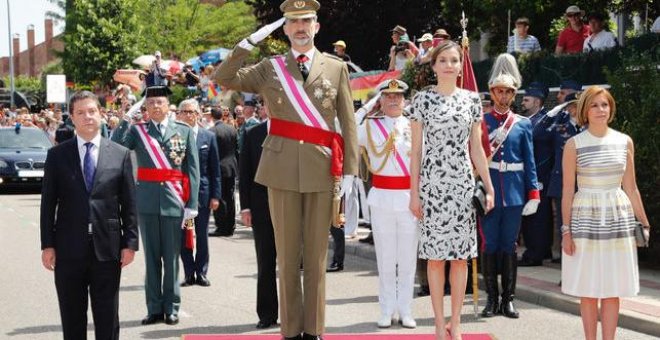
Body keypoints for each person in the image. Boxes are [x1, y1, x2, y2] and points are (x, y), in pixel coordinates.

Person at [214, 1, 359, 338]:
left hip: (322, 168)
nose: (300, 27)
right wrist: (248, 43)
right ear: (284, 29)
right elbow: (224, 78)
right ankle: (291, 331)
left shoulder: (336, 68)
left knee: (317, 258)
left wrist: (350, 170)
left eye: (307, 20)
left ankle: (314, 330)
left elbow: (348, 122)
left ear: (317, 26)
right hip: (280, 169)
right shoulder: (271, 67)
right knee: (287, 258)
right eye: (293, 21)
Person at [409, 41, 495, 339]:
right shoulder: (421, 100)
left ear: (461, 66)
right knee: (434, 258)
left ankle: (456, 323)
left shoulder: (472, 101)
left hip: (461, 187)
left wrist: (489, 185)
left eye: (454, 60)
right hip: (432, 187)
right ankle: (437, 322)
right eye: (442, 60)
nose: (448, 65)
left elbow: (476, 148)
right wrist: (413, 192)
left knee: (460, 258)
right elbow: (416, 152)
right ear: (433, 66)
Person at [40, 91, 139, 340]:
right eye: (81, 113)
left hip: (107, 249)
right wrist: (47, 244)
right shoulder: (57, 156)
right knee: (72, 317)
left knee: (107, 317)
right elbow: (48, 203)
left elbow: (129, 203)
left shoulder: (121, 154)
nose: (87, 117)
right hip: (68, 249)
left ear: (101, 114)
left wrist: (130, 243)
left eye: (92, 111)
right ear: (72, 118)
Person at [561, 86, 651, 340]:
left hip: (618, 218)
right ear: (584, 111)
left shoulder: (624, 141)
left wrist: (644, 222)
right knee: (588, 289)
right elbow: (567, 191)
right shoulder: (573, 145)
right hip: (584, 219)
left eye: (605, 105)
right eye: (594, 105)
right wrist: (566, 230)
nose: (601, 110)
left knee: (613, 289)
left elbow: (631, 187)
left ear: (611, 109)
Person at [111, 85, 200, 326]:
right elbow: (115, 144)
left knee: (171, 259)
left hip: (174, 202)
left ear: (168, 106)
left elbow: (192, 170)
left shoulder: (183, 131)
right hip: (147, 202)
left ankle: (171, 307)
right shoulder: (138, 131)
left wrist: (192, 205)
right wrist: (127, 116)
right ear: (145, 107)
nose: (155, 107)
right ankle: (154, 308)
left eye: (159, 103)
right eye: (150, 104)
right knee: (151, 259)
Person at [480, 54, 540, 319]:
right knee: (490, 244)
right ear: (492, 93)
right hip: (490, 192)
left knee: (509, 245)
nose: (503, 96)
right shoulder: (481, 122)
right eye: (499, 92)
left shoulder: (523, 124)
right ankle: (491, 299)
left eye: (508, 92)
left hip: (514, 193)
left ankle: (509, 299)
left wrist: (534, 192)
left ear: (513, 95)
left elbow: (530, 161)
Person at [359, 79, 419, 329]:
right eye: (388, 96)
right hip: (382, 196)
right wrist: (368, 105)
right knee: (385, 258)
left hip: (408, 196)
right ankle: (386, 309)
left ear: (405, 100)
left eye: (398, 96)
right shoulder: (370, 126)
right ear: (381, 100)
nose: (393, 100)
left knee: (407, 259)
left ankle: (405, 309)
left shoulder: (415, 125)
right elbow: (345, 127)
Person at [239, 115, 279, 329]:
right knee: (265, 262)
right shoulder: (253, 133)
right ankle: (267, 313)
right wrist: (245, 207)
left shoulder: (294, 129)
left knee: (293, 264)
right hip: (261, 207)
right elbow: (244, 172)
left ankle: (295, 315)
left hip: (290, 205)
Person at [176, 99, 221, 287]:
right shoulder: (174, 136)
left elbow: (214, 169)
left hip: (202, 193)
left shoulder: (208, 137)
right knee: (184, 234)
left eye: (192, 112)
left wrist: (216, 196)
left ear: (198, 114)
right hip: (180, 194)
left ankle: (201, 272)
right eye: (184, 111)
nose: (188, 115)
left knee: (201, 234)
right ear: (178, 114)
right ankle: (188, 273)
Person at [519, 83, 555, 267]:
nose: (522, 102)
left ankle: (535, 253)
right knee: (531, 217)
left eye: (526, 99)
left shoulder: (543, 121)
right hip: (529, 177)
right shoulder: (529, 120)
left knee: (538, 218)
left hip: (540, 177)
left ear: (537, 101)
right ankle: (539, 250)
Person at [546, 92, 582, 264]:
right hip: (562, 184)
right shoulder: (559, 127)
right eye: (572, 105)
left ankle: (581, 266)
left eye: (579, 104)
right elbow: (538, 132)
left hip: (584, 185)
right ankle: (567, 267)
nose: (576, 109)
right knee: (565, 226)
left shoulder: (589, 127)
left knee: (582, 228)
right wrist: (555, 112)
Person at [209, 107, 238, 237]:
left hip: (219, 168)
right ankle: (231, 226)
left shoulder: (211, 131)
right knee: (230, 197)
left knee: (219, 198)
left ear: (212, 117)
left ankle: (221, 227)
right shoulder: (232, 129)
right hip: (231, 167)